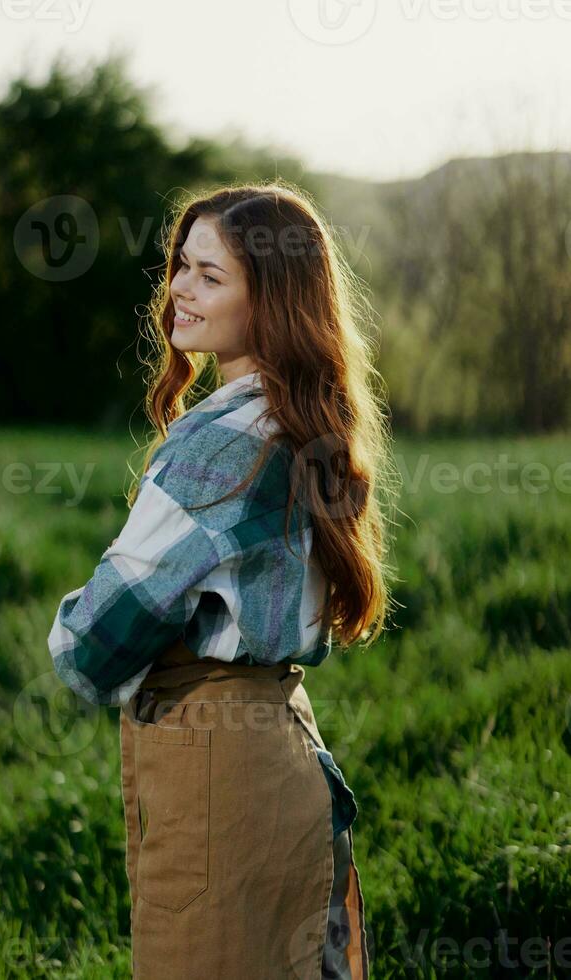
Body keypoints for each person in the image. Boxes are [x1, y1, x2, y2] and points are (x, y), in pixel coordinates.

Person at [48, 181, 399, 979]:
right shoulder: (304, 419)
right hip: (283, 750)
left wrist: (73, 619)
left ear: (269, 301)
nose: (178, 287)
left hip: (219, 782)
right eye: (181, 265)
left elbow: (89, 646)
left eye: (211, 276)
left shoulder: (219, 444)